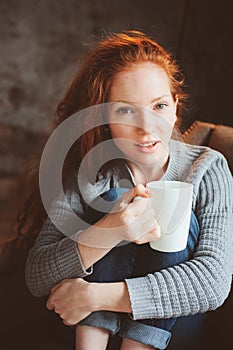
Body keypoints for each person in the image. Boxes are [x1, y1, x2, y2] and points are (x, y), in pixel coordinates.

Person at [22, 31, 232, 350]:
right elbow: (38, 274)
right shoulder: (90, 171)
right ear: (105, 117)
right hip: (91, 334)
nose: (146, 128)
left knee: (177, 214)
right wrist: (111, 229)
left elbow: (211, 284)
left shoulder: (207, 167)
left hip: (168, 333)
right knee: (109, 202)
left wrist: (93, 296)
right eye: (125, 110)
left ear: (176, 106)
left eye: (159, 106)